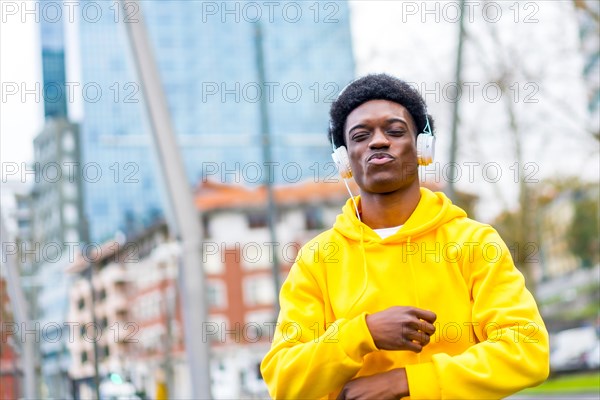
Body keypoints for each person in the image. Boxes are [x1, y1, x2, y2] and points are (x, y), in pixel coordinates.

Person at [260, 74, 549, 399]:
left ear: (422, 146)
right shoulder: (317, 259)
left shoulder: (474, 243)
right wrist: (363, 333)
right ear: (344, 159)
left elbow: (527, 350)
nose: (378, 141)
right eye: (360, 135)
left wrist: (408, 381)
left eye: (395, 131)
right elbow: (284, 380)